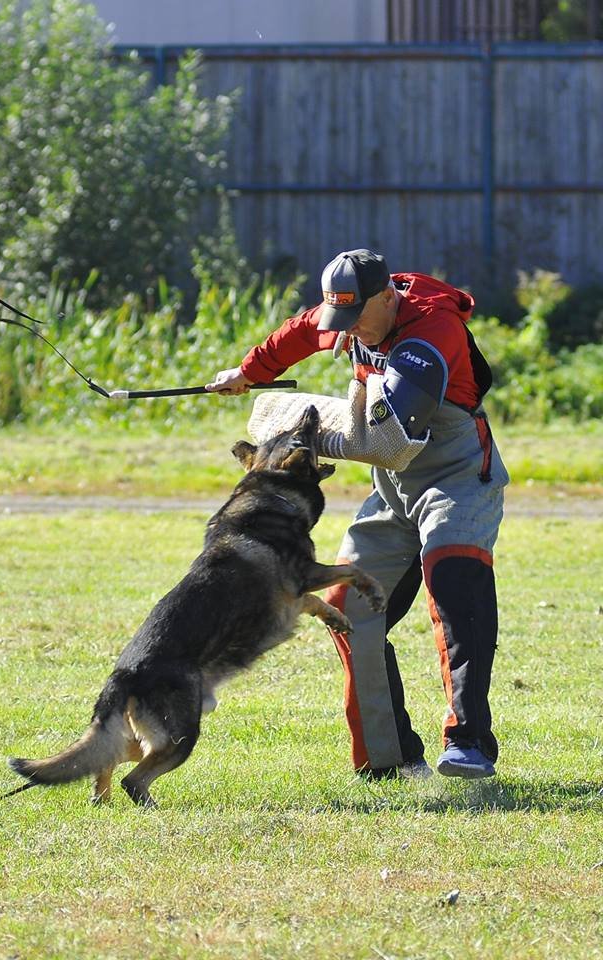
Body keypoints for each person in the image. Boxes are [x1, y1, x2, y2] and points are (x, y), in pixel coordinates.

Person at [206, 249, 509, 780]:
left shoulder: (430, 333)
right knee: (347, 606)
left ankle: (468, 743)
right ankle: (391, 759)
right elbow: (303, 331)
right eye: (339, 317)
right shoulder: (353, 314)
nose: (347, 330)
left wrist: (302, 436)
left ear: (387, 297)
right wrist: (249, 372)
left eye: (355, 317)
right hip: (393, 488)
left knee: (453, 581)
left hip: (455, 476)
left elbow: (385, 440)